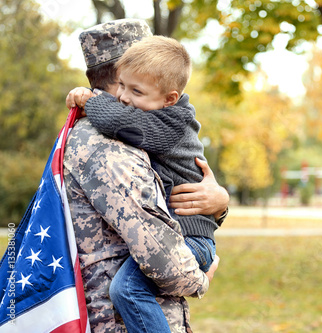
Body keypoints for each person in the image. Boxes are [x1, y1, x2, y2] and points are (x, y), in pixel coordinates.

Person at [64, 19, 229, 333]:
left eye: (137, 89)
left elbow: (181, 181)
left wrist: (220, 202)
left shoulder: (153, 123)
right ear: (118, 75)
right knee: (127, 288)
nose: (126, 98)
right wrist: (200, 278)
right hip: (115, 320)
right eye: (124, 87)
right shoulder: (107, 145)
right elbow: (163, 258)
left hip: (189, 243)